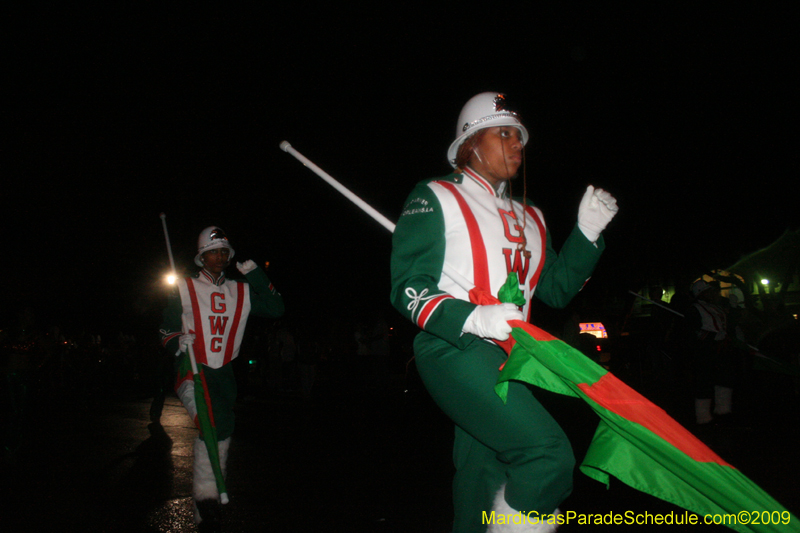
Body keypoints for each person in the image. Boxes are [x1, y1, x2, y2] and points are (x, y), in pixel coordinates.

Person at [390, 92, 617, 532]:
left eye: (520, 136)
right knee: (547, 453)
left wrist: (585, 236)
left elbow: (554, 290)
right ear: (471, 143)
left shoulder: (532, 216)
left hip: (511, 359)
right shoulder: (435, 196)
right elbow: (407, 287)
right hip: (454, 349)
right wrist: (473, 318)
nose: (518, 144)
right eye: (505, 134)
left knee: (482, 475)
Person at [159, 226, 284, 530]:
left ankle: (207, 508)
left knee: (223, 428)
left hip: (224, 370)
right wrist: (178, 341)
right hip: (194, 367)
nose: (219, 256)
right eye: (212, 251)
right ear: (202, 257)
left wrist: (255, 274)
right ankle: (206, 500)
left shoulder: (239, 289)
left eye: (223, 251)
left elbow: (276, 308)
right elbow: (165, 329)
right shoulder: (185, 287)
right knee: (210, 422)